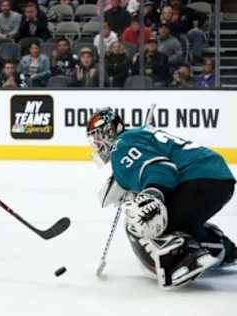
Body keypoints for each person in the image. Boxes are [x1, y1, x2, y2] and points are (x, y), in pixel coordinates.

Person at [87, 108, 236, 289]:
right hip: (216, 177)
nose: (96, 142)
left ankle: (181, 260)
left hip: (198, 180)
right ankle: (221, 248)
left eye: (98, 136)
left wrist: (152, 195)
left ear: (111, 131)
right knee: (165, 215)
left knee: (138, 218)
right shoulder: (133, 137)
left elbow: (161, 168)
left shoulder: (120, 147)